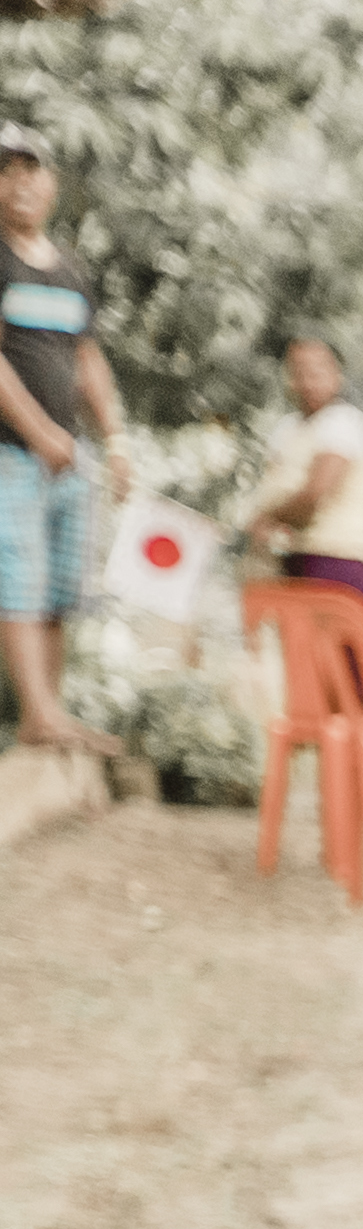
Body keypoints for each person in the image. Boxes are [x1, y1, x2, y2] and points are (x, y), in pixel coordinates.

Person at [0, 120, 112, 754]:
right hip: (12, 452)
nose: (20, 184)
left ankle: (53, 715)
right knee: (18, 579)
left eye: (31, 170)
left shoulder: (70, 268)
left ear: (52, 183)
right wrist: (40, 433)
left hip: (70, 456)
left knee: (60, 589)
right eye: (7, 172)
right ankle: (37, 714)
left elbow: (88, 357)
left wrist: (114, 439)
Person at [245, 334, 363, 608]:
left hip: (334, 563)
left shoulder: (343, 422)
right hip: (293, 561)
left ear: (337, 374)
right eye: (298, 372)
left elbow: (313, 496)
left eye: (317, 371)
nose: (307, 382)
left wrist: (267, 518)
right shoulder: (288, 428)